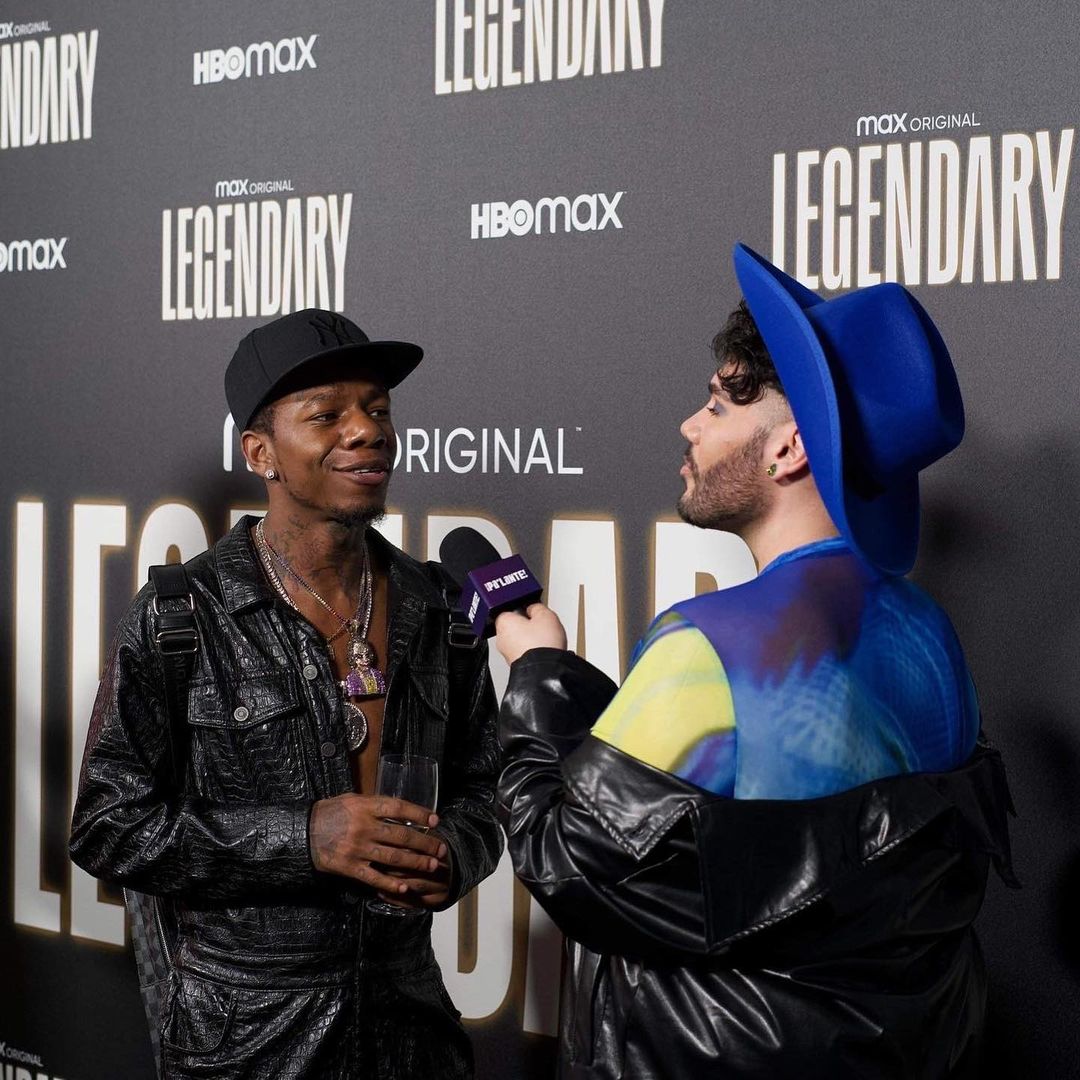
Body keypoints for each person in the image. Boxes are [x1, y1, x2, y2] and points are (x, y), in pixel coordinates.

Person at [494, 244, 1017, 1079]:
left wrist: (537, 675)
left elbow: (568, 860)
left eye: (718, 404)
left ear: (788, 451)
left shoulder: (710, 644)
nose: (691, 425)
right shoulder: (931, 639)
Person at [70, 309, 503, 1079]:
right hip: (248, 1044)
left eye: (378, 410)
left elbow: (485, 788)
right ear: (260, 452)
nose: (366, 431)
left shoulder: (437, 607)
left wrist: (455, 856)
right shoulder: (181, 616)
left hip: (412, 1035)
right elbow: (108, 828)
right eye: (327, 415)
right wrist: (302, 837)